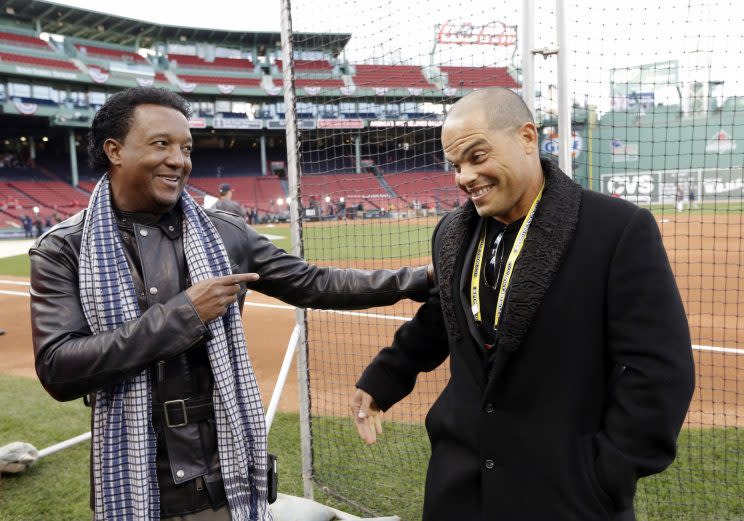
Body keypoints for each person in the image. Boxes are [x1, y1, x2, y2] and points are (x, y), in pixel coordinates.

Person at [29, 87, 431, 521]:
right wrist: (184, 314)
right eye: (161, 144)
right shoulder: (62, 248)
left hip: (225, 476)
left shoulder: (225, 232)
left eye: (185, 148)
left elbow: (315, 282)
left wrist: (420, 278)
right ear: (115, 151)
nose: (179, 160)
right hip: (139, 481)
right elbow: (59, 368)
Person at [352, 87, 695, 521]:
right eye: (456, 166)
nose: (464, 178)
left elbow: (661, 369)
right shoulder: (452, 232)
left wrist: (609, 472)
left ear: (528, 138)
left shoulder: (617, 229)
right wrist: (387, 375)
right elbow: (446, 315)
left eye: (478, 157)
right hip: (458, 491)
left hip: (567, 496)